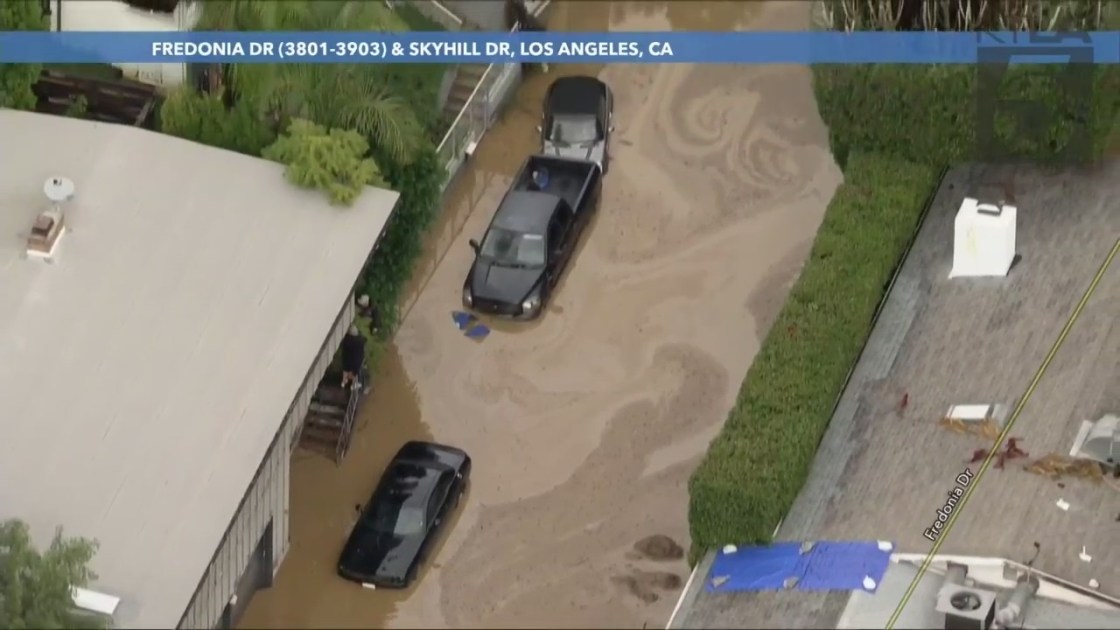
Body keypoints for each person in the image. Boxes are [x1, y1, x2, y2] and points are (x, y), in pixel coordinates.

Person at [340, 324, 365, 389]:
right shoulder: (359, 342)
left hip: (347, 359)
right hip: (354, 360)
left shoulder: (347, 341)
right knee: (353, 372)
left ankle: (344, 381)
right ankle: (353, 384)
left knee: (346, 370)